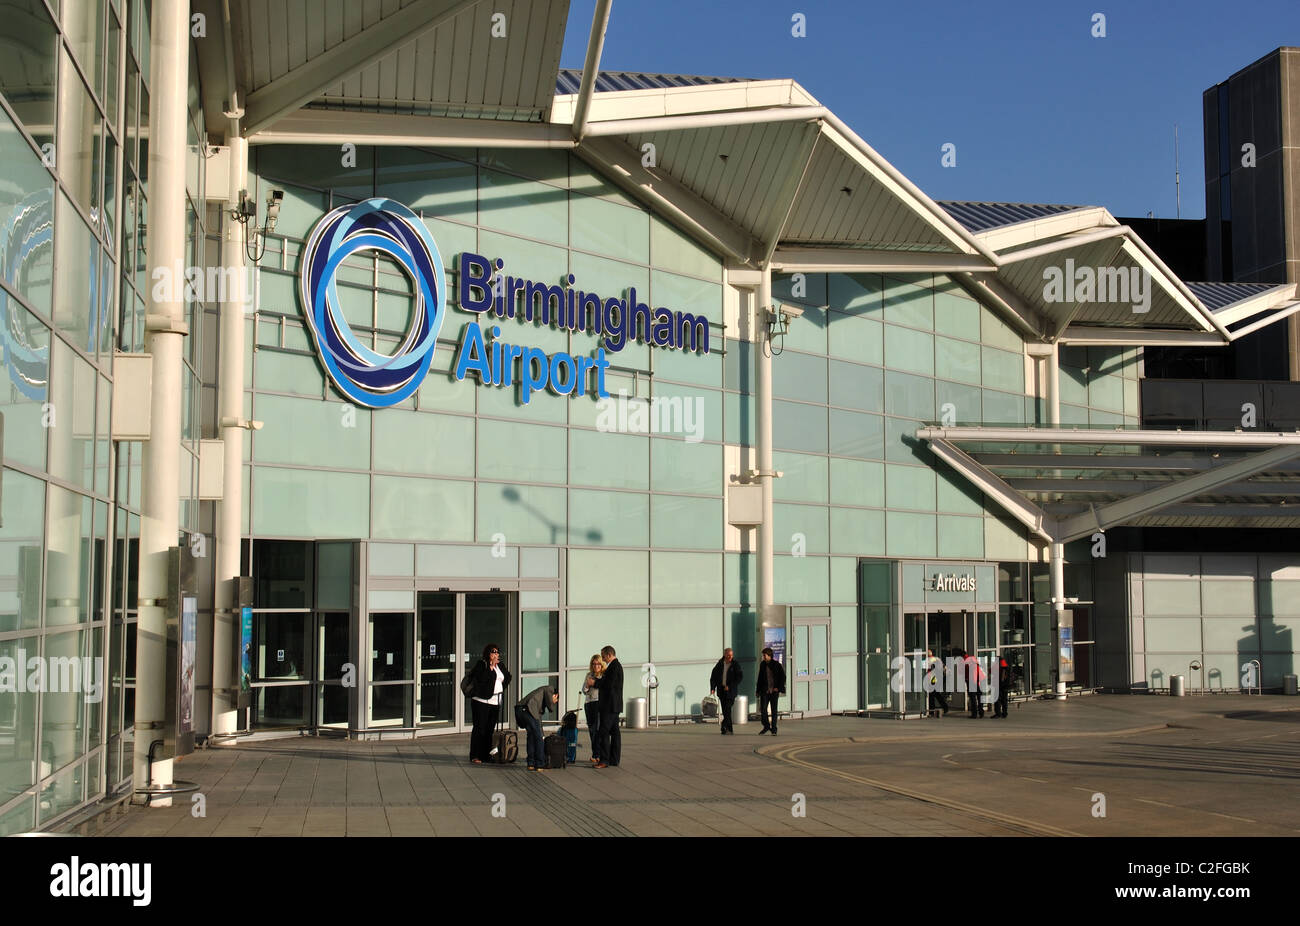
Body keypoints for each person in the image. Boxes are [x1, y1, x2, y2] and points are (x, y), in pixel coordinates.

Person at [467, 643, 511, 764]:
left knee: (489, 729)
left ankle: (486, 754)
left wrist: (500, 688)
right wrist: (490, 669)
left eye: (497, 652)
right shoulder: (482, 664)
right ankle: (475, 755)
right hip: (481, 701)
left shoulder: (500, 665)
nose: (496, 654)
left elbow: (507, 677)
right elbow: (481, 679)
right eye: (493, 652)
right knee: (479, 728)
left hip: (495, 702)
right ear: (488, 654)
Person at [515, 684, 560, 770]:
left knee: (531, 736)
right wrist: (552, 704)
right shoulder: (549, 689)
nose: (555, 702)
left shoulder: (539, 699)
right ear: (556, 695)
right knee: (538, 737)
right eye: (556, 700)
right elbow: (551, 707)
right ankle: (540, 764)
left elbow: (538, 719)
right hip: (527, 710)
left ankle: (531, 763)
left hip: (520, 710)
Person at [594, 645, 623, 768]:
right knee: (615, 732)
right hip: (614, 705)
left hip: (610, 706)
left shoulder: (614, 667)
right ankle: (614, 759)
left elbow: (608, 685)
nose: (603, 659)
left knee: (603, 732)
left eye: (604, 656)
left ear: (609, 655)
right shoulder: (616, 666)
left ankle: (604, 760)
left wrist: (594, 682)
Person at [709, 648, 744, 735]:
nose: (730, 657)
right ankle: (728, 729)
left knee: (728, 709)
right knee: (725, 711)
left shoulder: (735, 664)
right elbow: (713, 677)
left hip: (731, 691)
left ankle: (724, 726)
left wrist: (730, 686)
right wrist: (713, 688)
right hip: (721, 691)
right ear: (725, 655)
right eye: (728, 655)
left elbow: (739, 677)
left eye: (732, 655)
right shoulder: (720, 665)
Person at [755, 647, 785, 735]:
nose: (763, 657)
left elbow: (782, 677)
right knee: (763, 709)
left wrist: (778, 688)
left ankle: (774, 728)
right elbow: (760, 678)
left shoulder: (776, 665)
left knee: (774, 710)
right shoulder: (762, 664)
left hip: (774, 691)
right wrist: (757, 690)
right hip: (765, 691)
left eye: (765, 655)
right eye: (763, 655)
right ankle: (766, 726)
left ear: (769, 656)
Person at [581, 654, 604, 764]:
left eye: (598, 664)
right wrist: (588, 685)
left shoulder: (603, 675)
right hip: (588, 703)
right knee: (591, 730)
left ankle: (598, 754)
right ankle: (595, 753)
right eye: (594, 664)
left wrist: (593, 684)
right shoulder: (588, 675)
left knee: (597, 729)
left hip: (597, 703)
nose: (596, 666)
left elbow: (603, 688)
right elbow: (584, 690)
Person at [924, 649, 949, 717]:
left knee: (932, 695)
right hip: (939, 678)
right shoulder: (937, 658)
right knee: (936, 694)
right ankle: (944, 707)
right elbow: (945, 668)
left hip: (933, 679)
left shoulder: (927, 660)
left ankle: (932, 710)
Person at [962, 649, 986, 718]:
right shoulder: (972, 658)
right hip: (979, 679)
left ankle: (974, 714)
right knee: (979, 696)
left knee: (973, 698)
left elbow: (964, 672)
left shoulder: (964, 661)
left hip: (972, 680)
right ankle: (981, 712)